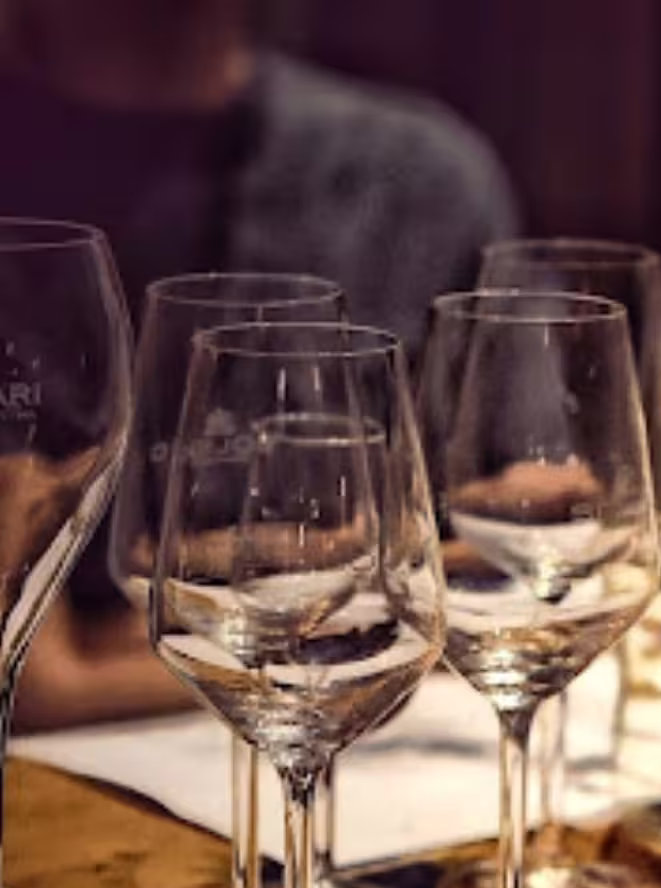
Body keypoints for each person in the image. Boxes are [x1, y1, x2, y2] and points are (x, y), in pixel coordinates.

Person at [0, 0, 517, 729]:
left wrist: (166, 623)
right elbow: (39, 685)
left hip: (375, 776)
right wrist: (377, 613)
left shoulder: (418, 180)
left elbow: (544, 538)